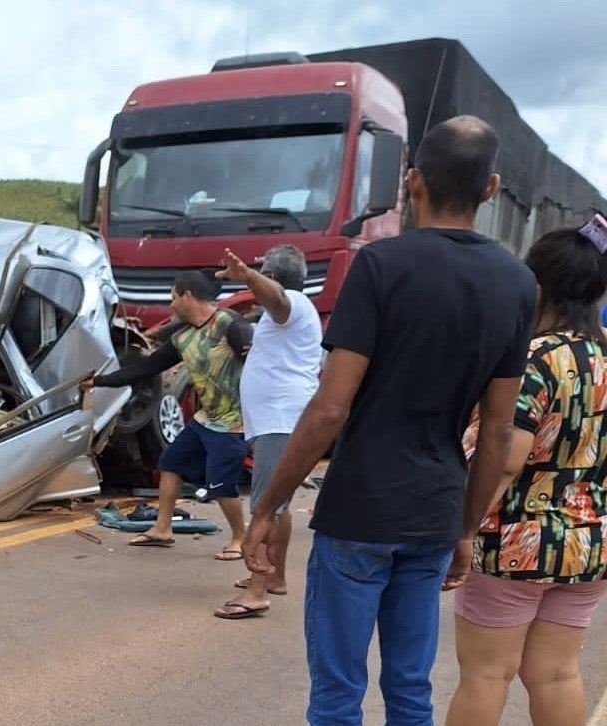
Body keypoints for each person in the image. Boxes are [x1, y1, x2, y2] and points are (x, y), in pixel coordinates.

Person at [238, 115, 537, 725]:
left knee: (338, 696)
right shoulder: (517, 283)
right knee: (409, 690)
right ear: (490, 188)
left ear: (413, 181)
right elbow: (499, 431)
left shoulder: (379, 267)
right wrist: (464, 526)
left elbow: (328, 410)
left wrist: (268, 507)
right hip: (433, 513)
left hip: (359, 512)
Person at [446, 216, 607, 726]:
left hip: (517, 539)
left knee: (486, 674)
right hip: (591, 542)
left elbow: (505, 458)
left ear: (536, 286)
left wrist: (464, 529)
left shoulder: (534, 359)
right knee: (557, 672)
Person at [85, 270, 252, 557]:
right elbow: (145, 369)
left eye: (173, 297)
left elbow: (261, 364)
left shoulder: (230, 325)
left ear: (188, 295)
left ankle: (241, 539)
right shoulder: (184, 336)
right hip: (206, 420)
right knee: (171, 463)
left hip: (235, 423)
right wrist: (98, 381)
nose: (171, 304)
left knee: (220, 484)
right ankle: (163, 528)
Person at [211, 244, 322, 619]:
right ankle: (274, 577)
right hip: (280, 421)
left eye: (262, 276)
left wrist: (248, 277)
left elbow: (275, 297)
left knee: (264, 507)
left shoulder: (290, 303)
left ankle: (257, 591)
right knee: (279, 503)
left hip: (282, 421)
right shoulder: (283, 318)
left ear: (271, 278)